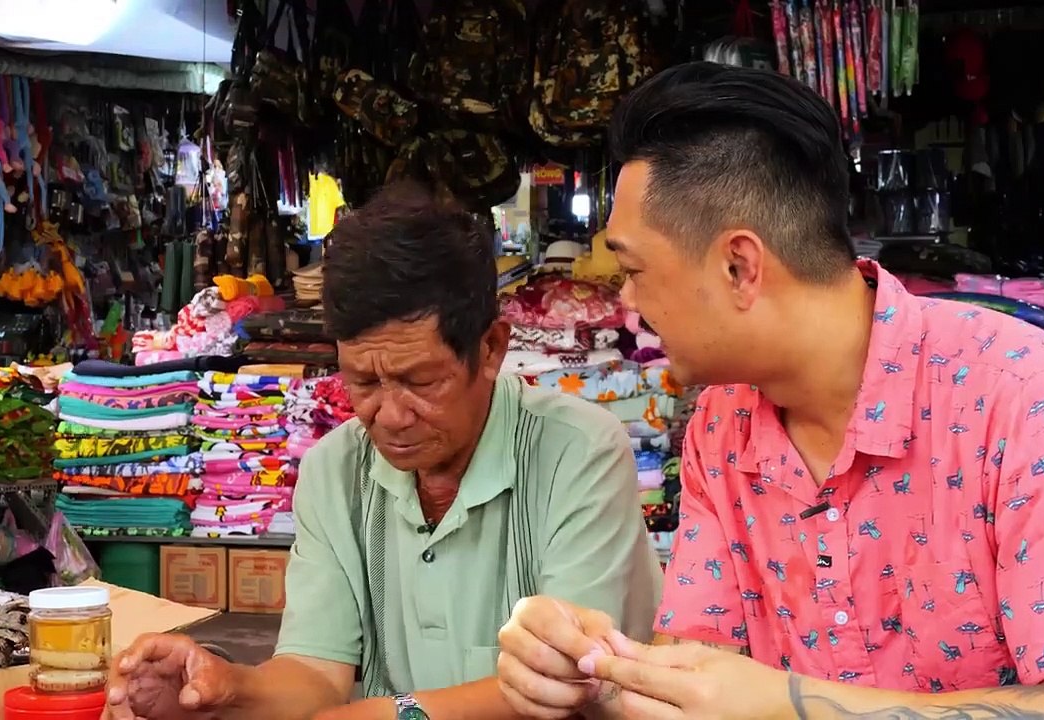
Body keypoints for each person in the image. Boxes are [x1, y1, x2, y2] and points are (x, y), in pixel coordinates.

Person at [495, 62, 1044, 720]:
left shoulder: (1029, 399)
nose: (624, 301)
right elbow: (709, 672)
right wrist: (599, 673)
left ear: (741, 266)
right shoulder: (722, 424)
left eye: (633, 268)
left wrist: (790, 706)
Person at [103, 183, 663, 720]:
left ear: (490, 349)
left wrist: (394, 713)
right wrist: (225, 689)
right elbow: (316, 676)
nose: (390, 416)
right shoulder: (335, 471)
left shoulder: (577, 452)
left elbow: (569, 681)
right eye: (363, 384)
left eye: (420, 381)